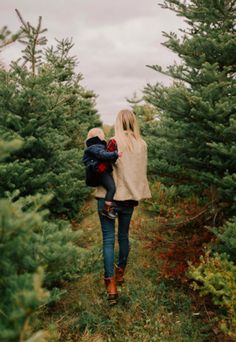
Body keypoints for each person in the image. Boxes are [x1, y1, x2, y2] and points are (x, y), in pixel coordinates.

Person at [95, 109, 151, 304]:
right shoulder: (142, 144)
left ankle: (111, 285)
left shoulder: (114, 142)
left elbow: (102, 167)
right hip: (129, 198)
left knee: (108, 239)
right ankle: (120, 271)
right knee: (124, 236)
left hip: (109, 198)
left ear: (118, 122)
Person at [83, 127, 122, 219]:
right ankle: (107, 210)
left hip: (100, 171)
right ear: (100, 136)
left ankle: (111, 206)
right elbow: (102, 155)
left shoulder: (93, 147)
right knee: (111, 188)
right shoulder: (95, 147)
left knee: (111, 187)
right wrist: (115, 154)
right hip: (100, 172)